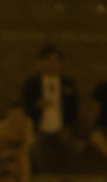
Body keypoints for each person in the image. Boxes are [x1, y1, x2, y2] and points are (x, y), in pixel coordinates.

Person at [22, 45, 79, 174]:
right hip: (38, 126)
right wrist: (37, 106)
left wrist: (68, 126)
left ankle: (65, 174)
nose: (53, 64)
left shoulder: (67, 83)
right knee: (33, 146)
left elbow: (73, 107)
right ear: (41, 62)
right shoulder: (32, 84)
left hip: (61, 125)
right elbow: (25, 106)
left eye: (56, 61)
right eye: (49, 60)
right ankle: (44, 174)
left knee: (73, 146)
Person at [0, 104, 36, 182]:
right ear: (8, 115)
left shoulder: (27, 124)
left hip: (20, 156)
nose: (16, 118)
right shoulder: (0, 127)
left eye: (19, 115)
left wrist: (26, 130)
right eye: (13, 115)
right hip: (2, 156)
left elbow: (29, 144)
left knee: (23, 160)